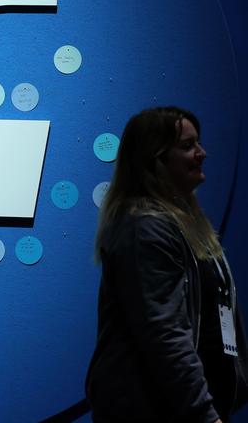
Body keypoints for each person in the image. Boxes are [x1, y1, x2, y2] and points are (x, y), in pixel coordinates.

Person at [86, 106, 248, 422]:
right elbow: (166, 335)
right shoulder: (145, 229)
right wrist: (204, 414)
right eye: (187, 146)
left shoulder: (186, 224)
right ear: (155, 161)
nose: (202, 153)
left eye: (197, 143)